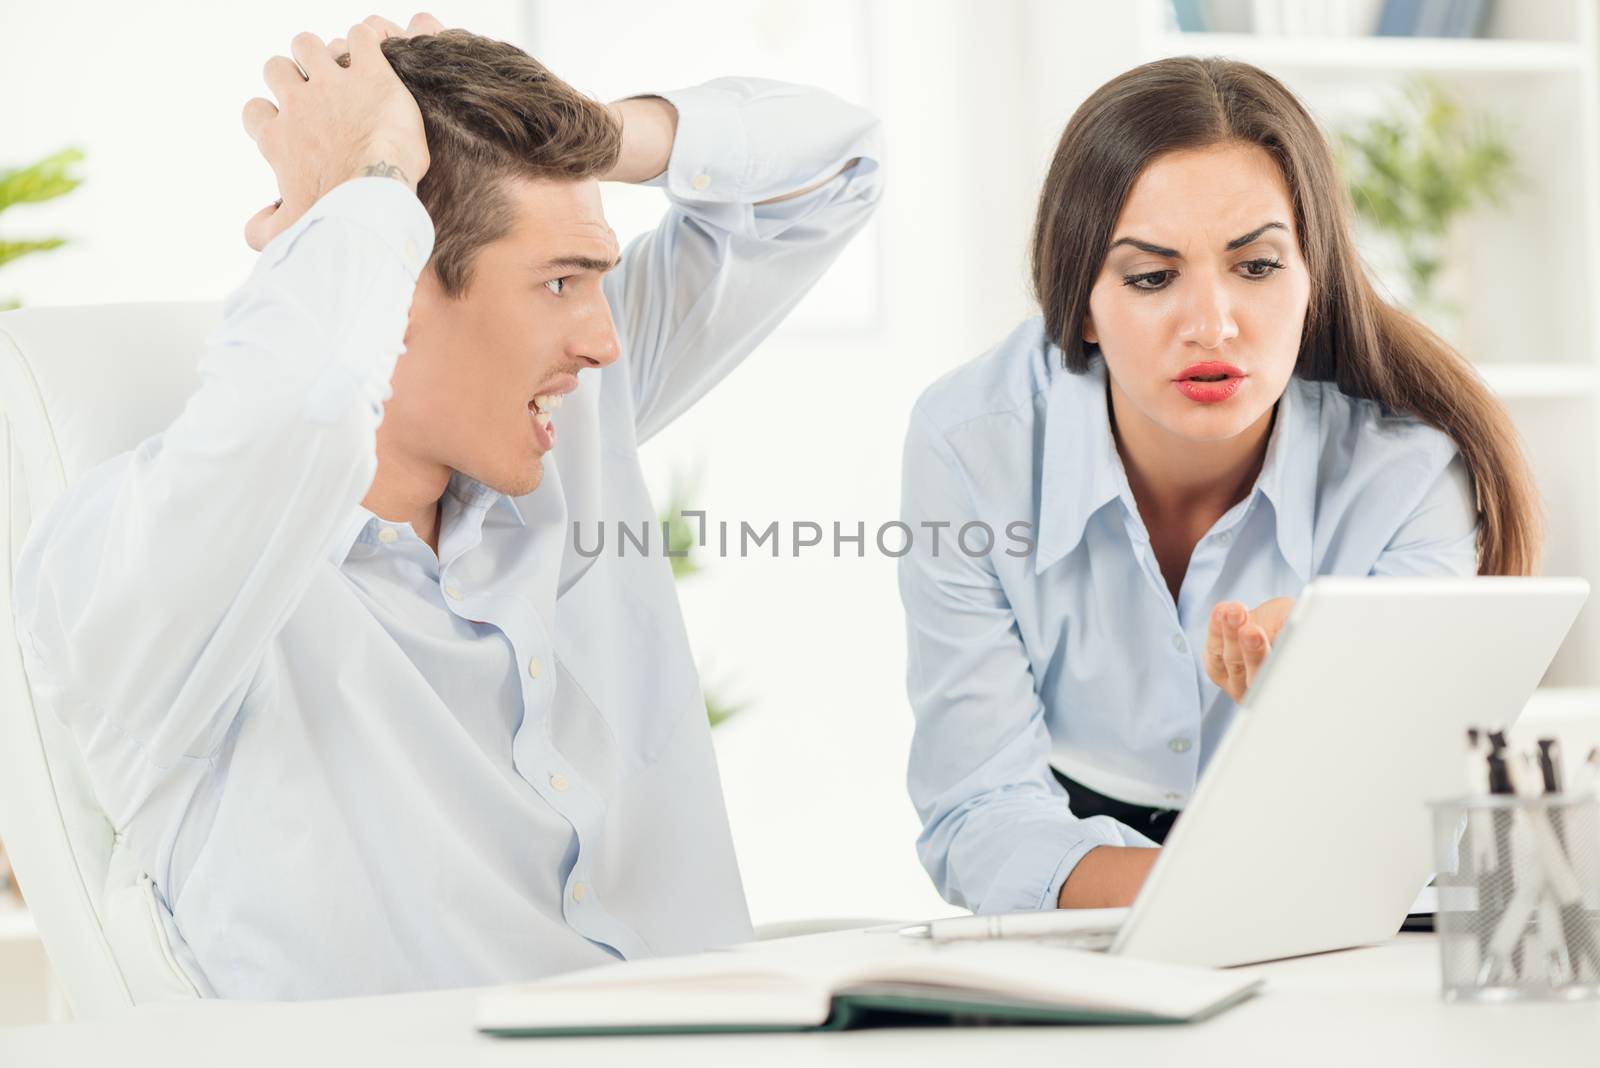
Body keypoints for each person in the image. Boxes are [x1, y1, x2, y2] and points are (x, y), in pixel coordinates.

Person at [11, 15, 881, 998]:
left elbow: (837, 164)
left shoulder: (563, 432)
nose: (603, 344)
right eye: (559, 282)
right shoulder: (159, 576)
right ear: (393, 289)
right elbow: (306, 407)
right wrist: (366, 188)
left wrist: (577, 130)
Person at [899, 56, 1538, 916]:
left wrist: (1319, 693)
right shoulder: (973, 444)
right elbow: (978, 813)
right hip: (1081, 876)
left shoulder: (1406, 470)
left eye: (1258, 266)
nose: (1212, 325)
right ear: (1080, 304)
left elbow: (1417, 826)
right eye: (1153, 277)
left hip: (1314, 856)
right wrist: (1219, 895)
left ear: (1313, 278)